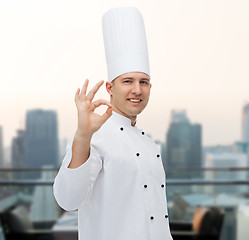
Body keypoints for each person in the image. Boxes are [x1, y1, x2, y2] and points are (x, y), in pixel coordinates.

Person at [53, 7, 173, 240]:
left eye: (144, 82)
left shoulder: (149, 144)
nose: (137, 90)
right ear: (110, 87)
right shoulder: (95, 134)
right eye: (127, 81)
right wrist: (82, 135)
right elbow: (68, 199)